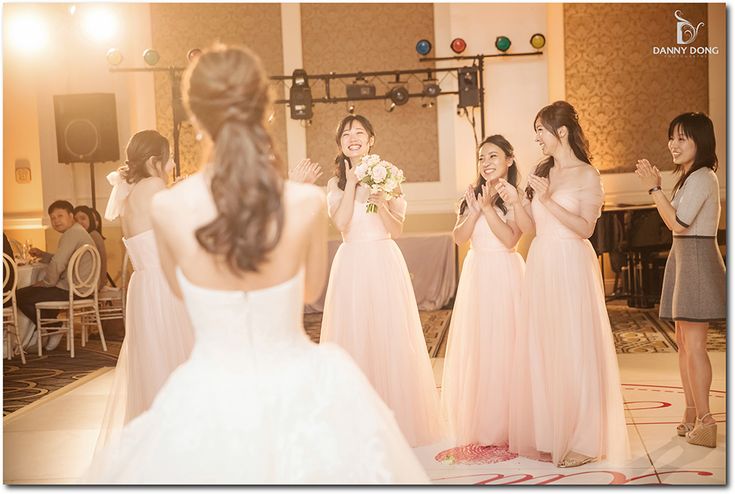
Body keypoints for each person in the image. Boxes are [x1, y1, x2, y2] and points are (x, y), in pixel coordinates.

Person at [84, 45, 428, 484]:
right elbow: (307, 292)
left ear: (196, 118)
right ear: (264, 109)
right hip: (289, 378)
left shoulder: (171, 207)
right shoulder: (301, 200)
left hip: (210, 383)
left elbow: (178, 289)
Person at [498, 101, 628, 468]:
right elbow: (528, 226)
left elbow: (585, 228)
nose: (536, 137)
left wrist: (547, 200)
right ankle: (549, 428)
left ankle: (584, 438)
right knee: (545, 344)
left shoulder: (588, 175)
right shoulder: (542, 172)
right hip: (542, 261)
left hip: (572, 263)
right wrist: (516, 201)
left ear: (562, 132)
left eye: (540, 130)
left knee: (575, 344)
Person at [319, 114, 444, 448]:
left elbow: (398, 229)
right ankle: (355, 424)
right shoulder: (335, 185)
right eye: (346, 134)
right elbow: (342, 222)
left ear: (371, 139)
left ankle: (396, 421)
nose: (353, 137)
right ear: (340, 143)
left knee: (389, 337)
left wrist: (382, 203)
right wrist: (352, 184)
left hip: (384, 261)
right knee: (355, 337)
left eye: (359, 132)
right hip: (351, 263)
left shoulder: (387, 176)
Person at [91, 130, 195, 453]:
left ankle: (153, 446)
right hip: (164, 286)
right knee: (177, 361)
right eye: (169, 158)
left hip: (143, 286)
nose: (173, 163)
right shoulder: (154, 187)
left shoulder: (129, 193)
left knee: (154, 361)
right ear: (154, 161)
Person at [635, 112, 724, 448]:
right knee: (683, 344)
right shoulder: (690, 177)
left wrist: (654, 188)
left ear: (700, 142)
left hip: (697, 260)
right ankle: (690, 413)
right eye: (672, 137)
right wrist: (659, 190)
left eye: (682, 138)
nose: (673, 144)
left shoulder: (703, 176)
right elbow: (674, 219)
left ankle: (706, 420)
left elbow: (678, 222)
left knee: (695, 346)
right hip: (685, 258)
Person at [441, 135, 525, 446]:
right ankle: (483, 423)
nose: (486, 163)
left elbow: (510, 240)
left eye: (493, 156)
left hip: (505, 273)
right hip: (477, 275)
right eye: (481, 157)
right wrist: (475, 209)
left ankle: (510, 422)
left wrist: (489, 209)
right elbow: (458, 237)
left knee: (506, 346)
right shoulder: (470, 197)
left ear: (509, 160)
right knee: (480, 347)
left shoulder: (517, 195)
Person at [18, 200, 95, 350]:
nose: (56, 220)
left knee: (20, 296)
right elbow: (65, 260)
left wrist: (47, 283)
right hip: (82, 288)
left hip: (72, 290)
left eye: (60, 216)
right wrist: (44, 255)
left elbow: (58, 263)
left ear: (71, 216)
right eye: (53, 218)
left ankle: (54, 328)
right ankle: (51, 330)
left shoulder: (72, 234)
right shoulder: (77, 231)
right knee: (35, 293)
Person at [73, 206, 108, 289]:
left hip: (90, 284)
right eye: (76, 220)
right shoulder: (91, 235)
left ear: (90, 220)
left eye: (83, 218)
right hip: (91, 282)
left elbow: (102, 261)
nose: (79, 222)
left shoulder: (93, 236)